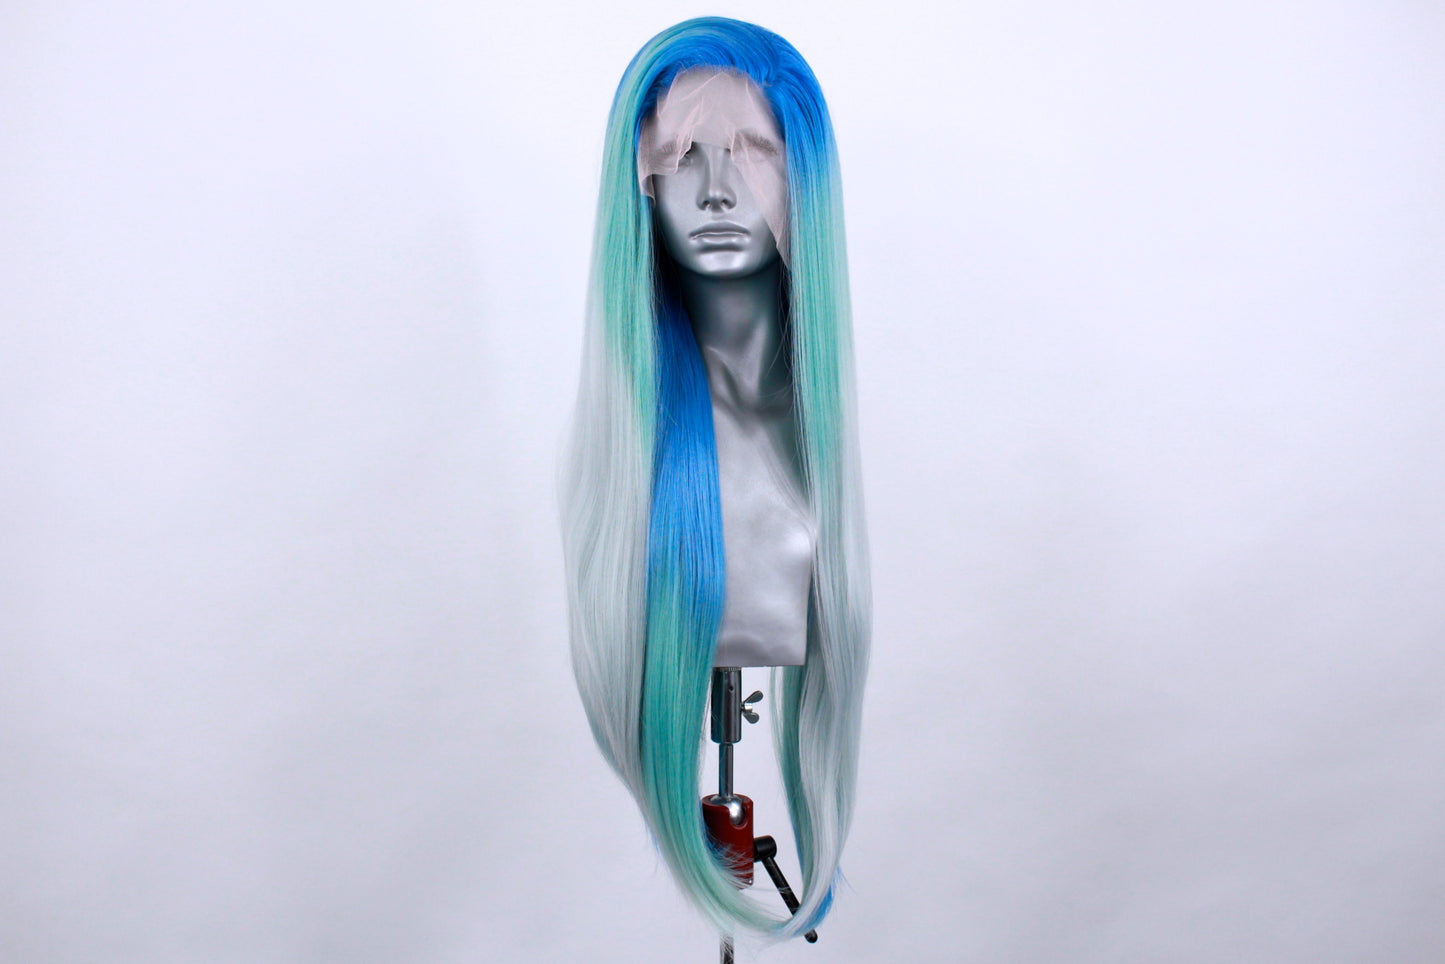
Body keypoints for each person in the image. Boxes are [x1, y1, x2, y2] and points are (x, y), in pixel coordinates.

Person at [561, 17, 870, 940]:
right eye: (680, 157)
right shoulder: (628, 474)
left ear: (801, 176)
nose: (717, 189)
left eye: (751, 152)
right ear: (640, 187)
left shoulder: (814, 453)